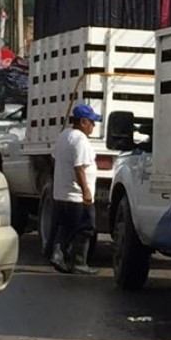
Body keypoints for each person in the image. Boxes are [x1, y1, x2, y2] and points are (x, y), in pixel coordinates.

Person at [50, 103, 101, 275]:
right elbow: (79, 168)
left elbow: (55, 158)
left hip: (62, 193)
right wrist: (86, 191)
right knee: (86, 227)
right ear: (83, 121)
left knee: (66, 227)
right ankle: (79, 262)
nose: (94, 126)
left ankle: (58, 255)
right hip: (77, 196)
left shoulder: (64, 135)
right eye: (92, 122)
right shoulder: (80, 140)